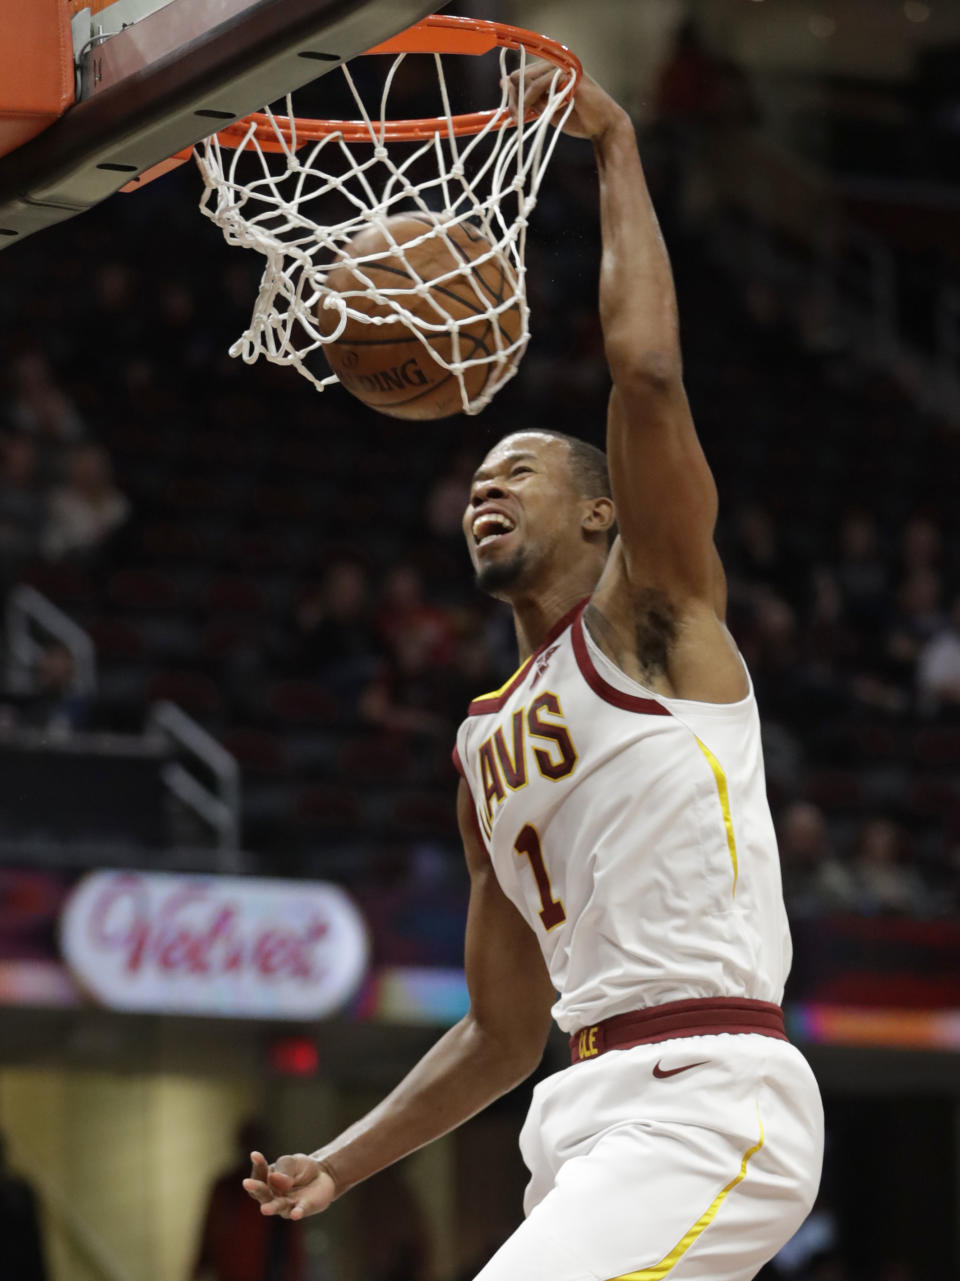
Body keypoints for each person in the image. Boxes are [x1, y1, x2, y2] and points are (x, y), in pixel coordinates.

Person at [243, 68, 825, 1281]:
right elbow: (504, 1030)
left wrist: (612, 140)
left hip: (710, 1092)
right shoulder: (479, 751)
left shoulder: (661, 624)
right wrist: (340, 1162)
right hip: (575, 1113)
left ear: (606, 515)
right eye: (473, 485)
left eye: (520, 473)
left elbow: (648, 375)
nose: (485, 490)